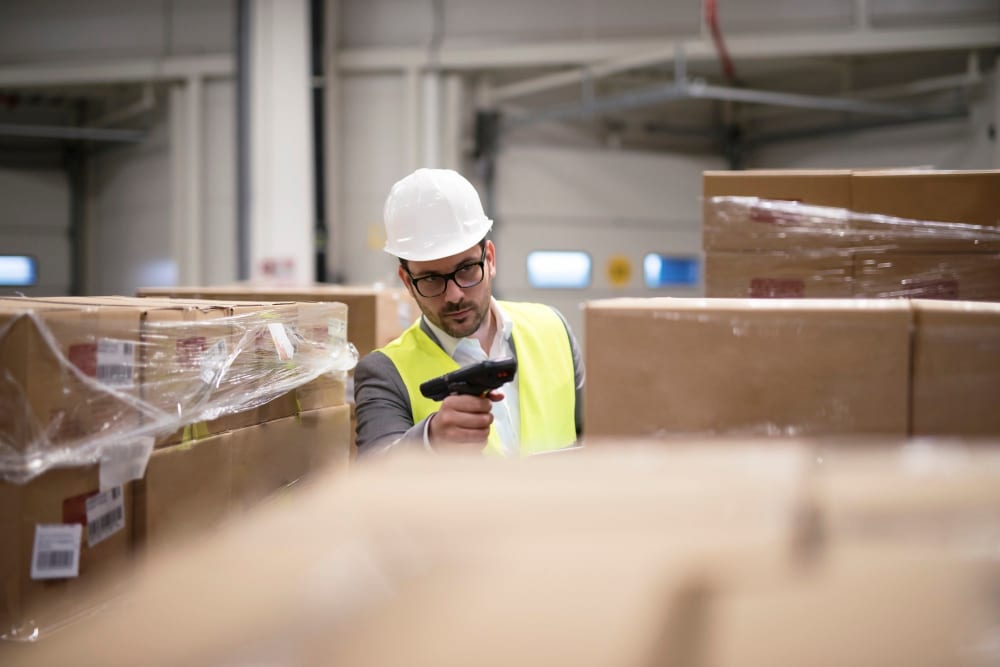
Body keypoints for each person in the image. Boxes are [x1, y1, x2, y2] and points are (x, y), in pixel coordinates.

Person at [354, 167, 584, 457]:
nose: (454, 295)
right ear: (407, 282)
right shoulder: (385, 373)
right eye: (431, 279)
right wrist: (430, 440)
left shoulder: (553, 329)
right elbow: (371, 479)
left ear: (489, 259)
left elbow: (601, 441)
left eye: (465, 269)